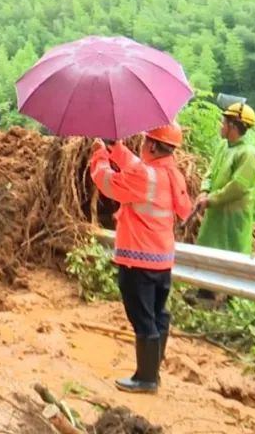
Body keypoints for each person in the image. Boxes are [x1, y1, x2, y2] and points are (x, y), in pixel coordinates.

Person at [89, 123, 193, 394]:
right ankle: (152, 372)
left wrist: (99, 155)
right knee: (158, 314)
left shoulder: (146, 177)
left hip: (138, 260)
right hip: (162, 260)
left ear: (154, 146)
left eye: (147, 141)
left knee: (143, 318)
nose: (144, 145)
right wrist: (116, 147)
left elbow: (107, 182)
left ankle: (145, 379)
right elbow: (138, 167)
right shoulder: (172, 174)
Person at [196, 102, 255, 255]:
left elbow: (238, 187)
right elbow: (210, 172)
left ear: (232, 126)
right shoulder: (223, 147)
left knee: (231, 260)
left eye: (223, 122)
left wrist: (210, 200)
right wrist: (204, 191)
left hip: (233, 220)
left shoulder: (248, 154)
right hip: (215, 215)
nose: (221, 125)